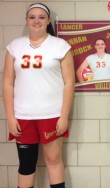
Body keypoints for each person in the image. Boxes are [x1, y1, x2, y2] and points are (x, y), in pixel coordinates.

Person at [2, 3, 74, 188]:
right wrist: (10, 117)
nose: (36, 21)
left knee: (54, 159)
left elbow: (69, 84)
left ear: (48, 20)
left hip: (51, 115)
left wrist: (63, 117)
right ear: (26, 20)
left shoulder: (60, 46)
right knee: (26, 164)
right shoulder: (14, 47)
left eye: (41, 17)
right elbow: (8, 83)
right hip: (23, 116)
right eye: (32, 17)